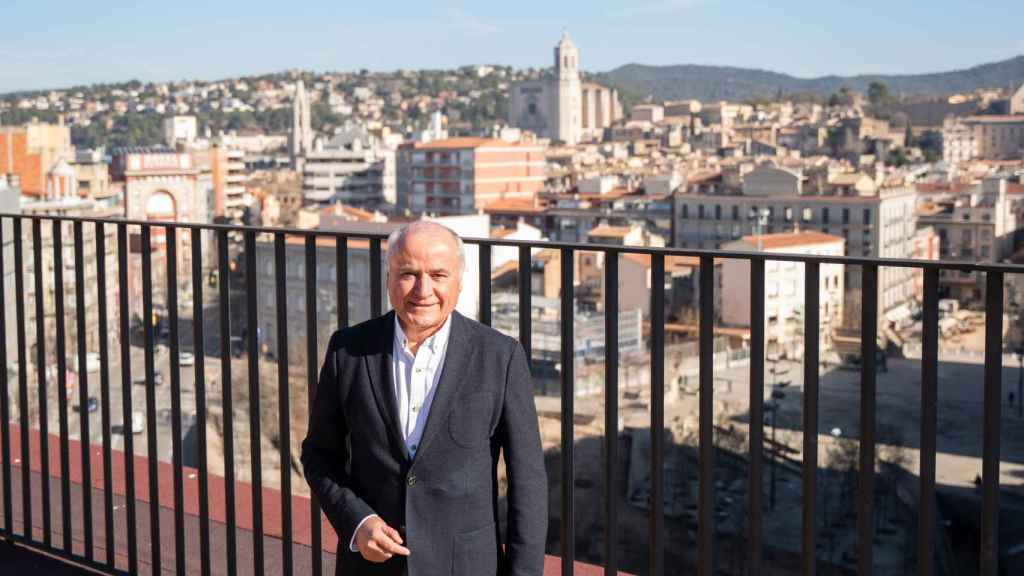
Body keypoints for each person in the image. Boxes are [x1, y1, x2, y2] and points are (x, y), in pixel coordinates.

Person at [301, 221, 548, 576]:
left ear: (459, 281)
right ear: (388, 279)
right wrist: (357, 522)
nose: (423, 289)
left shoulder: (501, 357)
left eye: (438, 274)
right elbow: (319, 455)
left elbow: (528, 482)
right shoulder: (348, 350)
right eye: (408, 273)